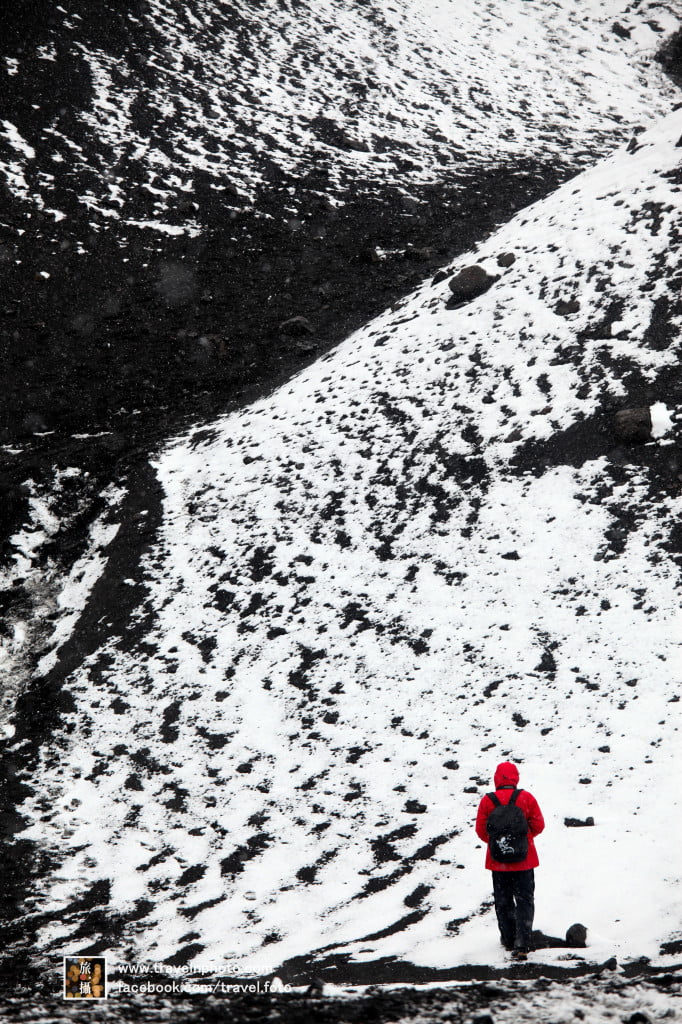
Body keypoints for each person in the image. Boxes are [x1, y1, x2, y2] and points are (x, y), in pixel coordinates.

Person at [475, 761, 545, 960]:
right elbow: (539, 824)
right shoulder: (526, 798)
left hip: (499, 863)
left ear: (497, 778)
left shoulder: (488, 801)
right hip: (525, 861)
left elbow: (481, 831)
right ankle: (523, 942)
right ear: (516, 778)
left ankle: (508, 939)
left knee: (503, 902)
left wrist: (499, 843)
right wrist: (523, 839)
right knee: (524, 900)